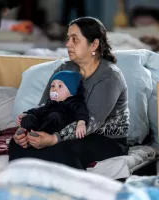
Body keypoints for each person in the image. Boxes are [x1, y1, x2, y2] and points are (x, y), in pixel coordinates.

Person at [9, 17, 130, 170]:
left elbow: (91, 122)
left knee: (62, 149)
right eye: (68, 39)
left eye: (75, 39)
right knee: (18, 144)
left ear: (94, 44)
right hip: (62, 127)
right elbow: (46, 105)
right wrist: (27, 131)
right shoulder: (64, 68)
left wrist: (54, 139)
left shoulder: (110, 76)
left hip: (104, 139)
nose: (67, 44)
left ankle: (66, 191)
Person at [16, 71, 89, 145]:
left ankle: (37, 136)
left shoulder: (74, 102)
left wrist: (81, 123)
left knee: (55, 116)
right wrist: (25, 114)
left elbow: (82, 112)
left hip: (55, 128)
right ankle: (25, 135)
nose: (54, 89)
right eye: (53, 86)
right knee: (29, 118)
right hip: (40, 126)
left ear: (71, 91)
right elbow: (37, 110)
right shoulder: (49, 103)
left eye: (60, 86)